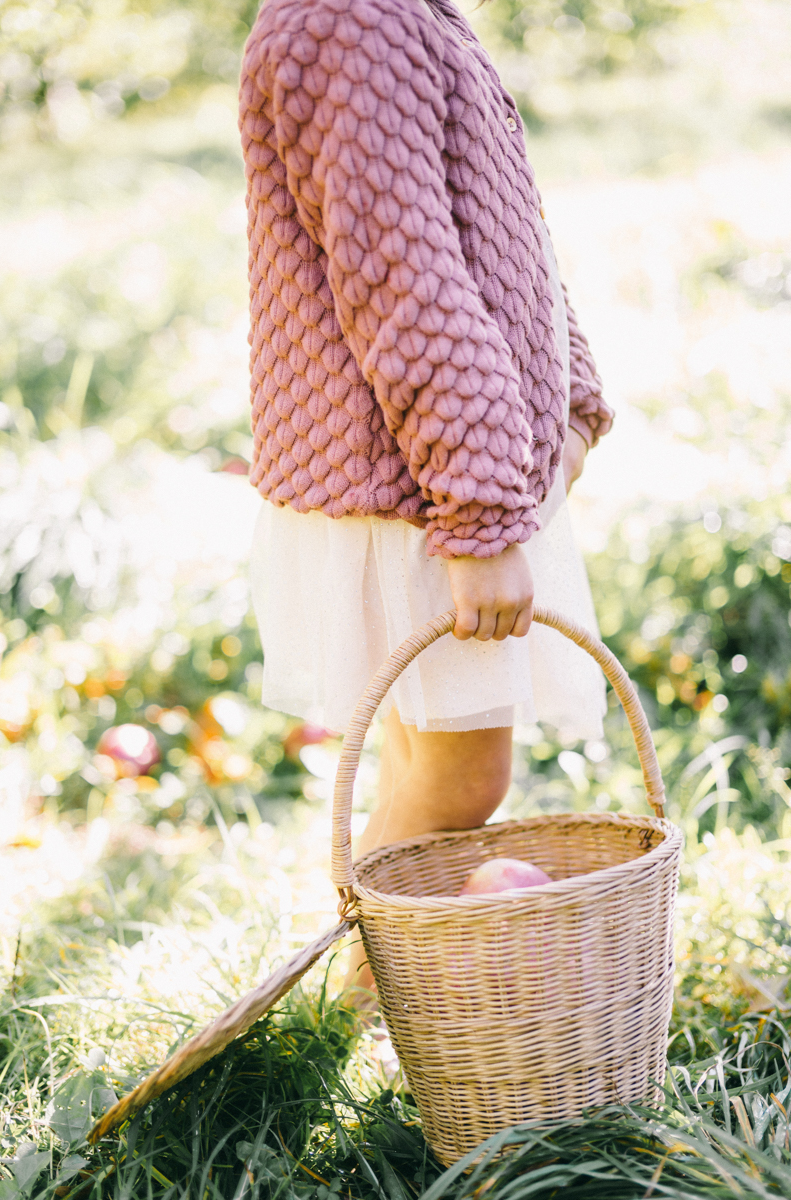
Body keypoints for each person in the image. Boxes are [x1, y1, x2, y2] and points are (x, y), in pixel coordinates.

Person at [238, 0, 614, 988]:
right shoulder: (346, 23)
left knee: (422, 771)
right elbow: (401, 276)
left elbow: (505, 238)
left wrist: (570, 395)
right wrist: (482, 514)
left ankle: (347, 1008)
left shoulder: (413, 13)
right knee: (456, 778)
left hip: (444, 463)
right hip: (409, 480)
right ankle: (358, 1011)